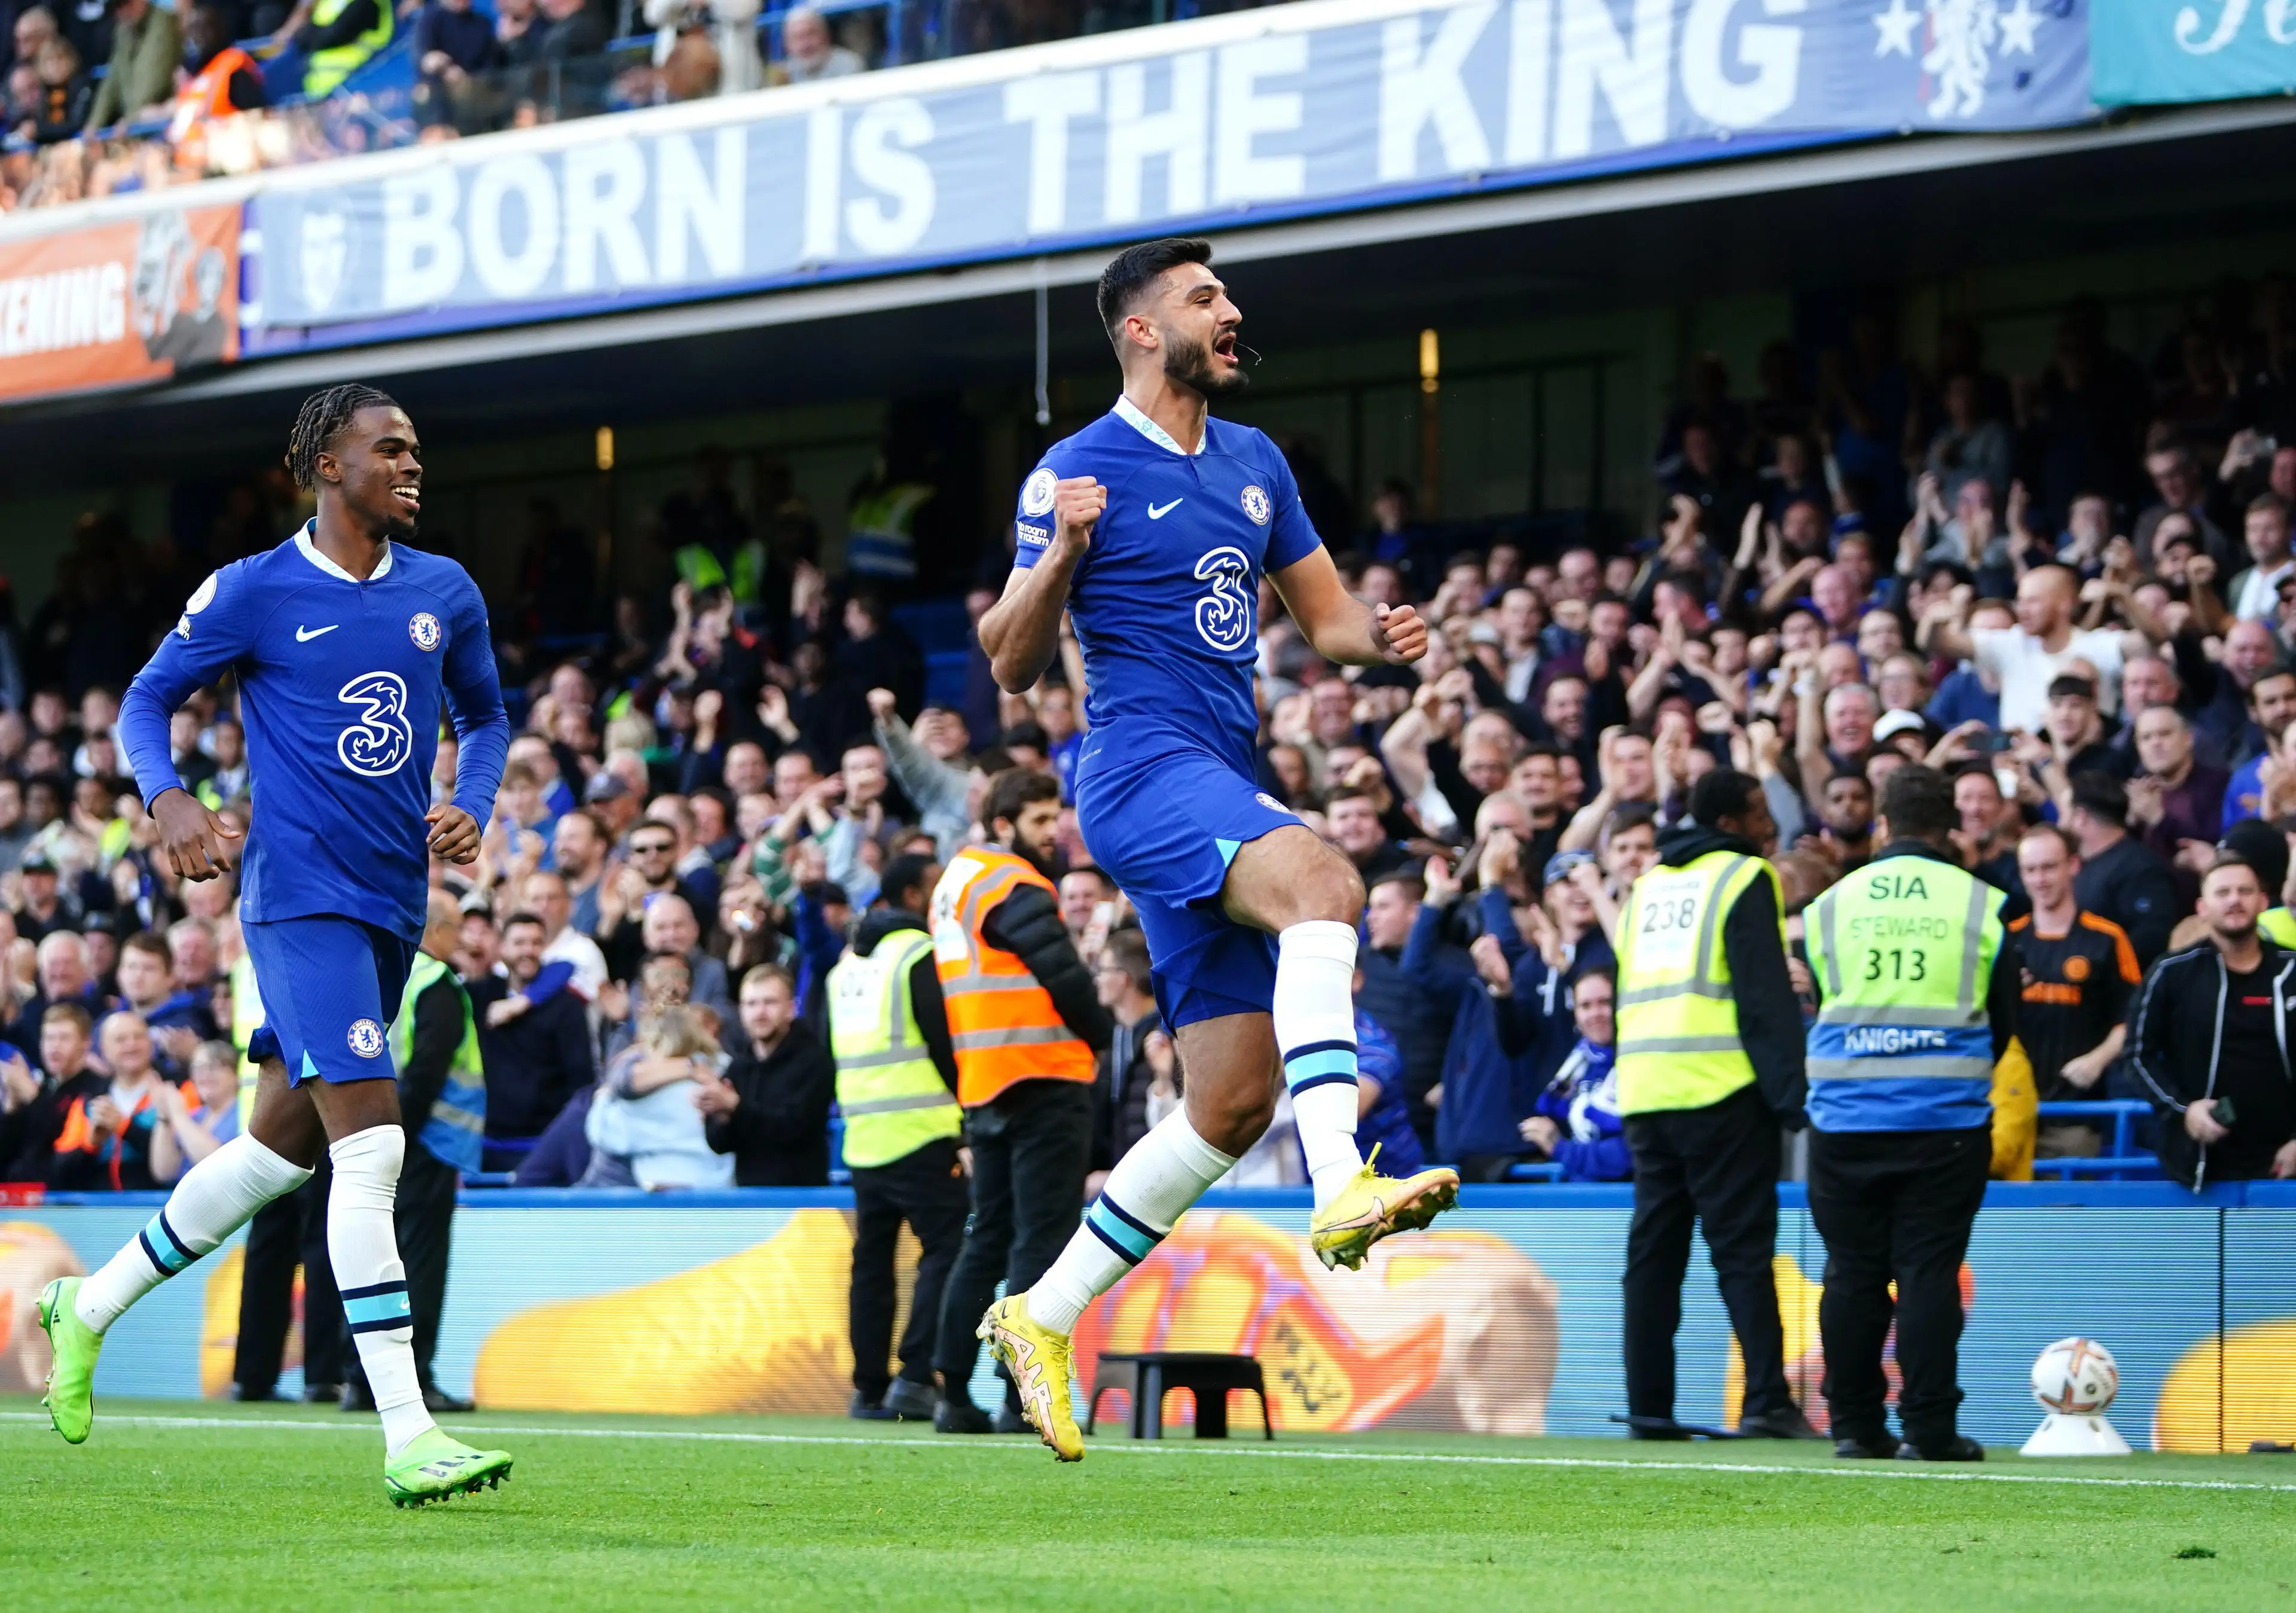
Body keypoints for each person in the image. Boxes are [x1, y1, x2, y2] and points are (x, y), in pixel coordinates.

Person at [970, 238, 1458, 1460]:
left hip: (1218, 776)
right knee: (1328, 878)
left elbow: (1329, 615)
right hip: (1139, 773)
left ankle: (1041, 1311)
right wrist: (1066, 552)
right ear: (1140, 330)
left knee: (1231, 1100)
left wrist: (1381, 639)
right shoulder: (1072, 470)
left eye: (1226, 296)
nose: (1231, 313)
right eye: (1204, 299)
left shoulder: (1255, 461)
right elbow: (1011, 660)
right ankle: (1343, 1178)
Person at [42, 384, 515, 1506]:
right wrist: (168, 802)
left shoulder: (444, 590)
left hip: (394, 905)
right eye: (387, 449)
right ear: (325, 465)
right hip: (297, 900)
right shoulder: (255, 589)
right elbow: (146, 701)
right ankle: (408, 1433)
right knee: (374, 1149)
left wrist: (474, 801)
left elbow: (486, 716)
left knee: (278, 1151)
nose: (410, 465)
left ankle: (87, 1305)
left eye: (414, 448)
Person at [1802, 765, 2020, 1462]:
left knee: (1851, 1273)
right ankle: (1929, 1428)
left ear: (1882, 824)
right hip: (1943, 1119)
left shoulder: (1831, 904)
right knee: (1929, 1273)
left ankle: (1854, 1428)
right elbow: (2006, 1023)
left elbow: (1821, 997)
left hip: (1843, 1120)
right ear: (1948, 825)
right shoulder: (1982, 903)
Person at [1612, 768, 1813, 1441]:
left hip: (1645, 1090)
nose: (1770, 825)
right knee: (1743, 1255)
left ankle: (1648, 1407)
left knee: (1653, 1259)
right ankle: (1766, 1401)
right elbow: (1765, 999)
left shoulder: (1647, 886)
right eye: (1760, 812)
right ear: (1730, 821)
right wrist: (1791, 1099)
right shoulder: (1743, 877)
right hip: (1722, 1090)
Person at [927, 769, 1110, 1438]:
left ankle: (951, 1390)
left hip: (986, 1081)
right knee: (1041, 1242)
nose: (1054, 832)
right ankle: (1019, 1396)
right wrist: (1102, 1035)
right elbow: (1060, 969)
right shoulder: (1011, 880)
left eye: (1055, 817)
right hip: (1044, 1076)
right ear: (1003, 825)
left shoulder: (954, 883)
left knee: (988, 1240)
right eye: (1039, 821)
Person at [824, 852, 966, 1423]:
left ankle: (868, 1388)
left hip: (863, 1137)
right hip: (924, 1131)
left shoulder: (844, 968)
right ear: (912, 896)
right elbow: (944, 1043)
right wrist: (970, 1116)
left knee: (873, 1263)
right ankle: (915, 1373)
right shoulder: (919, 955)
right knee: (948, 1250)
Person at [342, 891, 483, 1415]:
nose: (462, 940)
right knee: (418, 1264)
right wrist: (400, 1132)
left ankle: (361, 1377)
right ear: (437, 929)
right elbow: (428, 1069)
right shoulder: (435, 982)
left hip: (369, 1137)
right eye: (457, 929)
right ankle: (415, 1377)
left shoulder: (379, 974)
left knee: (372, 1258)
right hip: (424, 1142)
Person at [2130, 855, 2296, 1188]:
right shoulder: (2171, 972)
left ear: (2264, 902)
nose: (2234, 899)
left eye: (2245, 891)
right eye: (2223, 893)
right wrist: (2184, 1111)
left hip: (2287, 1159)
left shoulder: (2291, 970)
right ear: (2202, 908)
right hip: (2201, 1163)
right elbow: (2137, 1056)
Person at [2007, 825, 2141, 1160]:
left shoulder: (2108, 938)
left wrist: (2098, 1060)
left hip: (2077, 1116)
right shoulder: (2007, 940)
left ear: (2074, 866)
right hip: (2011, 1109)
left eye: (2050, 867)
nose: (2040, 879)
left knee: (2067, 1212)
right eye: (2031, 870)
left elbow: (2132, 1018)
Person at [471, 911, 595, 1170]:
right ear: (502, 947)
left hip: (544, 1142)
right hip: (485, 1140)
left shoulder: (566, 1005)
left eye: (536, 942)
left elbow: (581, 1077)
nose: (528, 950)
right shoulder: (480, 995)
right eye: (519, 943)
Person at [697, 963, 835, 1185]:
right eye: (751, 1004)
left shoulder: (815, 1062)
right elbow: (720, 1145)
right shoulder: (738, 1067)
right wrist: (721, 1118)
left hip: (804, 1204)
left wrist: (735, 1108)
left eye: (770, 1002)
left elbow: (796, 1129)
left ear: (791, 1009)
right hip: (750, 1205)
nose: (760, 1013)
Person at [2063, 772, 2182, 968]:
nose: (2061, 820)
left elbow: (2149, 944)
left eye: (2064, 811)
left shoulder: (2142, 870)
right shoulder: (2080, 867)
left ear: (2081, 817)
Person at [1521, 968, 1628, 1182]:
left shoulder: (1638, 1063)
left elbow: (1626, 1156)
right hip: (1581, 1200)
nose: (1596, 1013)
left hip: (1625, 1202)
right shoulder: (1577, 1066)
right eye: (1586, 1006)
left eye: (1605, 1002)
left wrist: (1560, 1149)